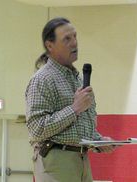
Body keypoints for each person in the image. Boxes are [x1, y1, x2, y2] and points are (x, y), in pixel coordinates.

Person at [25, 17, 115, 182]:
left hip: (81, 160)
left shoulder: (78, 79)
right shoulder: (43, 79)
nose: (74, 43)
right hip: (56, 162)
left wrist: (98, 141)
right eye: (67, 39)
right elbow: (36, 129)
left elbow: (80, 128)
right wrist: (74, 108)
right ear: (49, 45)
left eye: (75, 36)